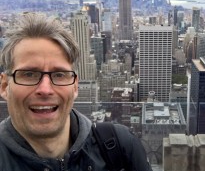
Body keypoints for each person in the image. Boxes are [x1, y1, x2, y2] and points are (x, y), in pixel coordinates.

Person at [0, 13, 152, 171]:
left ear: (75, 86)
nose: (45, 90)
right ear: (4, 86)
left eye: (59, 75)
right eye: (29, 74)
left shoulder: (121, 147)